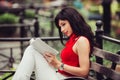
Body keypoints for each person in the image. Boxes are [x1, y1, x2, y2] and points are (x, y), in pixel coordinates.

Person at [12, 7, 94, 80]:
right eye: (60, 27)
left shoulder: (82, 40)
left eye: (63, 24)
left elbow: (84, 72)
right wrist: (53, 61)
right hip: (59, 76)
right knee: (32, 48)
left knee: (32, 50)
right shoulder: (72, 39)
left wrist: (59, 64)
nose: (61, 30)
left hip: (66, 78)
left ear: (73, 21)